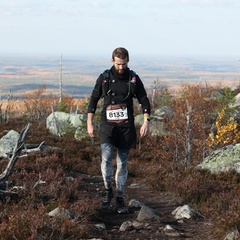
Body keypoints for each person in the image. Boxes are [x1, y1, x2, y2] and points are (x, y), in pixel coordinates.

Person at [87, 47, 151, 213]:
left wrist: (146, 122)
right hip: (108, 126)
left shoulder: (134, 79)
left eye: (123, 64)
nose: (121, 67)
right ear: (112, 61)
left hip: (126, 127)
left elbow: (144, 100)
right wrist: (89, 123)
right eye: (118, 64)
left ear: (128, 61)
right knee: (106, 158)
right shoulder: (104, 78)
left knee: (122, 163)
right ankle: (108, 192)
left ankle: (120, 197)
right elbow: (93, 100)